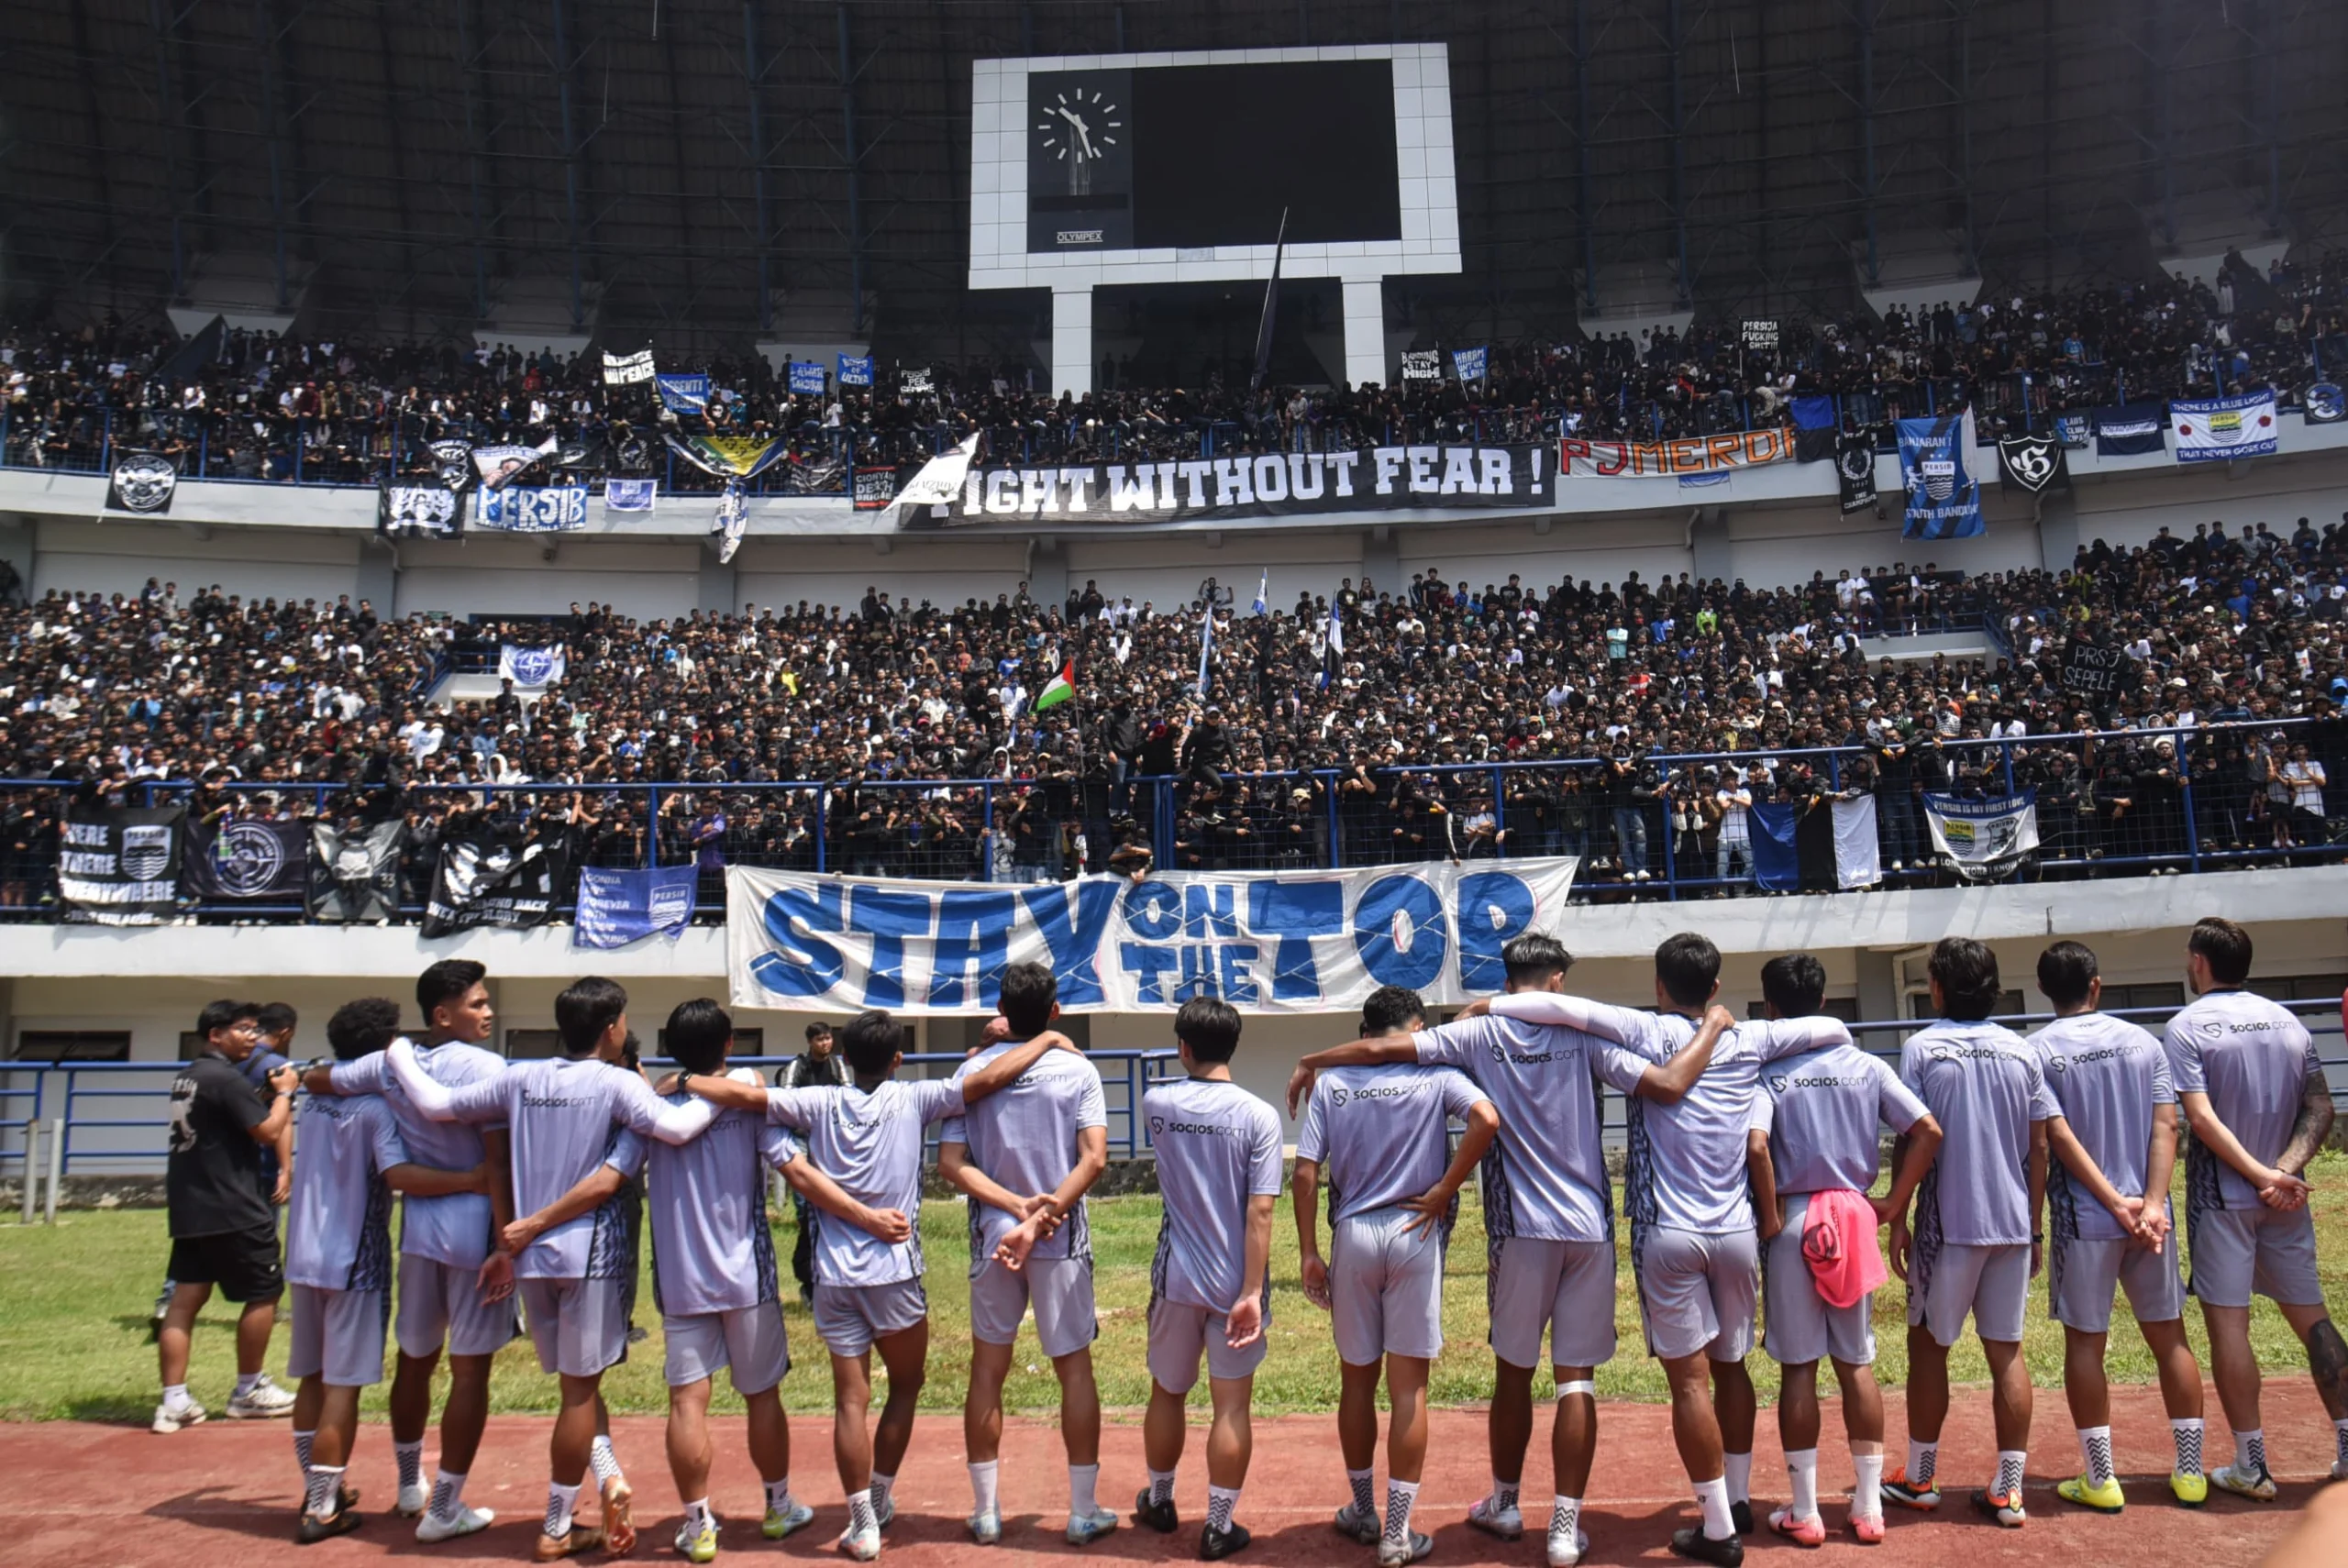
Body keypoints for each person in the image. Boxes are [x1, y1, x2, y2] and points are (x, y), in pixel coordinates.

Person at [1287, 933, 1732, 1568]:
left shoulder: (1474, 1036)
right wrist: (1714, 1025)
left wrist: (1316, 1058)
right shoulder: (1583, 1036)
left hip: (1517, 1228)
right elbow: (1664, 1084)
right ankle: (1564, 1528)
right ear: (1554, 981)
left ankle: (1505, 1502)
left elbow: (1385, 1048)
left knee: (1513, 1372)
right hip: (1587, 1226)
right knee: (1577, 1378)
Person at [1477, 934, 1862, 1567]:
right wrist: (1731, 1024)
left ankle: (1717, 1527)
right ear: (1715, 989)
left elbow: (1559, 1011)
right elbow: (1830, 1028)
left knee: (1690, 1384)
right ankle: (1735, 1501)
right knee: (1732, 1367)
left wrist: (1489, 1009)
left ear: (1659, 986)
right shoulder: (1748, 1037)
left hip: (1668, 1231)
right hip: (1737, 1229)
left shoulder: (1642, 1030)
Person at [507, 999, 908, 1564]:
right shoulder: (745, 1107)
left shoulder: (651, 1109)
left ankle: (698, 1525)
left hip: (681, 1277)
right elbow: (798, 1173)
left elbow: (609, 1175)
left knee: (687, 1403)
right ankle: (778, 1505)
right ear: (728, 1046)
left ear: (672, 1048)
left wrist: (534, 1220)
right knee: (761, 1394)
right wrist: (864, 1216)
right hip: (747, 1276)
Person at [674, 1009, 1080, 1562]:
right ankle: (882, 1495)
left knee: (849, 1401)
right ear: (898, 1059)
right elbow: (987, 1080)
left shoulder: (818, 1102)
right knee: (906, 1386)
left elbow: (746, 1099)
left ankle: (863, 1521)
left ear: (841, 1056)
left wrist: (683, 1079)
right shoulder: (915, 1098)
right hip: (894, 1272)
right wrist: (1049, 1038)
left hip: (834, 1276)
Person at [376, 976, 737, 1560]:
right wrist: (721, 1088)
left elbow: (435, 1104)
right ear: (611, 1028)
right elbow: (674, 1127)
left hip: (532, 1261)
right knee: (578, 1395)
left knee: (575, 1390)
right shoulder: (616, 1084)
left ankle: (601, 1481)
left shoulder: (518, 1076)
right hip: (587, 1253)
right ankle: (556, 1525)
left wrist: (397, 1051)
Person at [1881, 937, 2139, 1529]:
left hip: (1949, 1225)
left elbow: (1913, 1137)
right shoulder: (2022, 1054)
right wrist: (2033, 1226)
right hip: (2010, 1225)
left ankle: (1919, 1478)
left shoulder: (1922, 1049)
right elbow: (2040, 1144)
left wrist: (1899, 1216)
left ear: (1938, 988)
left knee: (1927, 1347)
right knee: (2007, 1354)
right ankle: (2010, 1489)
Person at [304, 958, 512, 1541]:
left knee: (415, 1360)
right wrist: (506, 1239)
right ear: (442, 1015)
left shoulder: (386, 1064)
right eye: (477, 1003)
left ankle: (407, 1484)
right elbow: (496, 1162)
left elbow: (320, 1078)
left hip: (420, 1228)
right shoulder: (486, 1067)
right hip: (474, 1230)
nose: (488, 1011)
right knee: (470, 1373)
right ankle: (445, 1507)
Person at [1292, 985, 1499, 1566]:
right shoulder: (1433, 1069)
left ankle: (1363, 1510)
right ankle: (1397, 1533)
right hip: (1415, 1231)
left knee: (1357, 1381)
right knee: (1409, 1390)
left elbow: (1305, 1175)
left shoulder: (1332, 1081)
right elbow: (1487, 1117)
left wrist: (1309, 1250)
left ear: (1363, 1034)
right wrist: (1444, 1189)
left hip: (1354, 1232)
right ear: (1414, 1028)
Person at [1742, 954, 1942, 1545]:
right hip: (1851, 1213)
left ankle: (1805, 1510)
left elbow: (1757, 1147)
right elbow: (1926, 1129)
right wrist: (1892, 1203)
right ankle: (1867, 1506)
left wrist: (1772, 1217)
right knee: (1856, 1362)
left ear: (1772, 1009)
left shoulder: (1771, 1073)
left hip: (1797, 1217)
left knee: (1798, 1367)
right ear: (1825, 1002)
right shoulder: (1865, 1065)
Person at [2165, 916, 2348, 1497]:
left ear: (2198, 962)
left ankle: (2252, 1464)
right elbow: (2320, 1108)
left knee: (2229, 1326)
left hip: (2225, 1199)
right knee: (2313, 1318)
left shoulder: (2187, 1026)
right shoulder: (2289, 1023)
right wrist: (2284, 1172)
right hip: (2284, 1198)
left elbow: (2199, 1116)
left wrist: (2258, 1173)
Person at [936, 964, 1114, 1546]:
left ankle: (986, 1512)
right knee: (1074, 1368)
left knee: (988, 1369)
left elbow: (952, 1165)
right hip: (1059, 1232)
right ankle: (1082, 1510)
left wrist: (1014, 1209)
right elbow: (1093, 1160)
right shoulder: (1077, 1069)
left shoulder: (971, 1071)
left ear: (1002, 1011)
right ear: (1055, 1011)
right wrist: (1039, 1216)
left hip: (993, 1233)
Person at [2030, 940, 2210, 1512]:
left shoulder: (2037, 1050)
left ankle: (2101, 1479)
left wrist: (2113, 1203)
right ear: (2097, 985)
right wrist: (2151, 1203)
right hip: (2152, 1222)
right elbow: (2168, 1126)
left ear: (2044, 991)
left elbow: (2056, 1137)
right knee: (2169, 1337)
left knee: (2086, 1344)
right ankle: (2190, 1472)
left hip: (2087, 1219)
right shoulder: (2142, 1042)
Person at [1129, 998, 1284, 1562]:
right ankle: (1218, 1525)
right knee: (1231, 1408)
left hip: (1176, 1279)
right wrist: (1249, 1292)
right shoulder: (1260, 1116)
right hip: (1234, 1286)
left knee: (1167, 1392)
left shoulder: (1157, 1102)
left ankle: (1162, 1500)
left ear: (1184, 1048)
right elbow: (1260, 1213)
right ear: (1235, 1046)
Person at [155, 999, 301, 1434]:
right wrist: (285, 1093)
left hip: (192, 1204)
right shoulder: (225, 1077)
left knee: (184, 1301)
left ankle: (173, 1400)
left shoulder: (189, 1076)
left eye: (255, 1029)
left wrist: (261, 1097)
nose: (252, 1037)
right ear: (215, 1034)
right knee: (265, 1291)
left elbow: (225, 1122)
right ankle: (249, 1389)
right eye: (242, 1029)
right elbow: (269, 1131)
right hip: (234, 1204)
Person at [776, 1021, 850, 1302]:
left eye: (828, 1038)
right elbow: (785, 1096)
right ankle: (809, 1276)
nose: (825, 1044)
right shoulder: (798, 1067)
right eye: (820, 1039)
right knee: (805, 1202)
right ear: (810, 1042)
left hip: (829, 1139)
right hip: (801, 1139)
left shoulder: (837, 1066)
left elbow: (847, 1095)